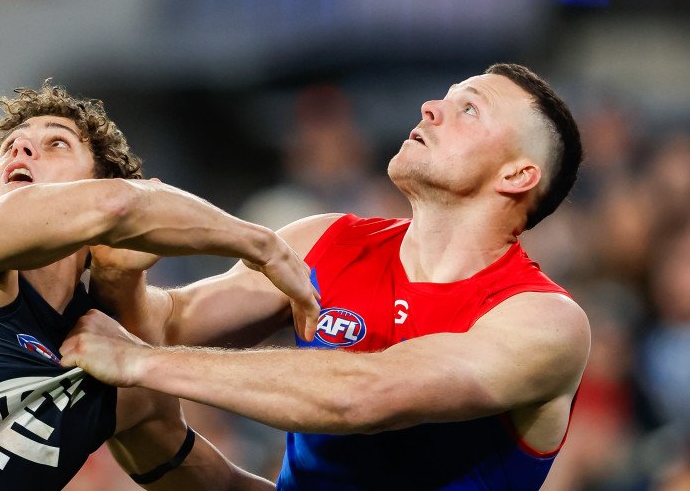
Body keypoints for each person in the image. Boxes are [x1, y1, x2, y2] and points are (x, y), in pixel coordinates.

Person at [61, 64, 591, 490]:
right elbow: (174, 320)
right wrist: (119, 275)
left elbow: (366, 395)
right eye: (445, 98)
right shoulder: (326, 240)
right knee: (138, 421)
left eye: (469, 109)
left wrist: (139, 360)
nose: (432, 108)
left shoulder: (544, 320)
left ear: (517, 175)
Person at [0, 82, 320, 490]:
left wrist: (123, 274)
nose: (23, 147)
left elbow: (216, 485)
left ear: (97, 181)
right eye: (13, 145)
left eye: (56, 144)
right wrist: (264, 247)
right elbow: (122, 205)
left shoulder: (111, 360)